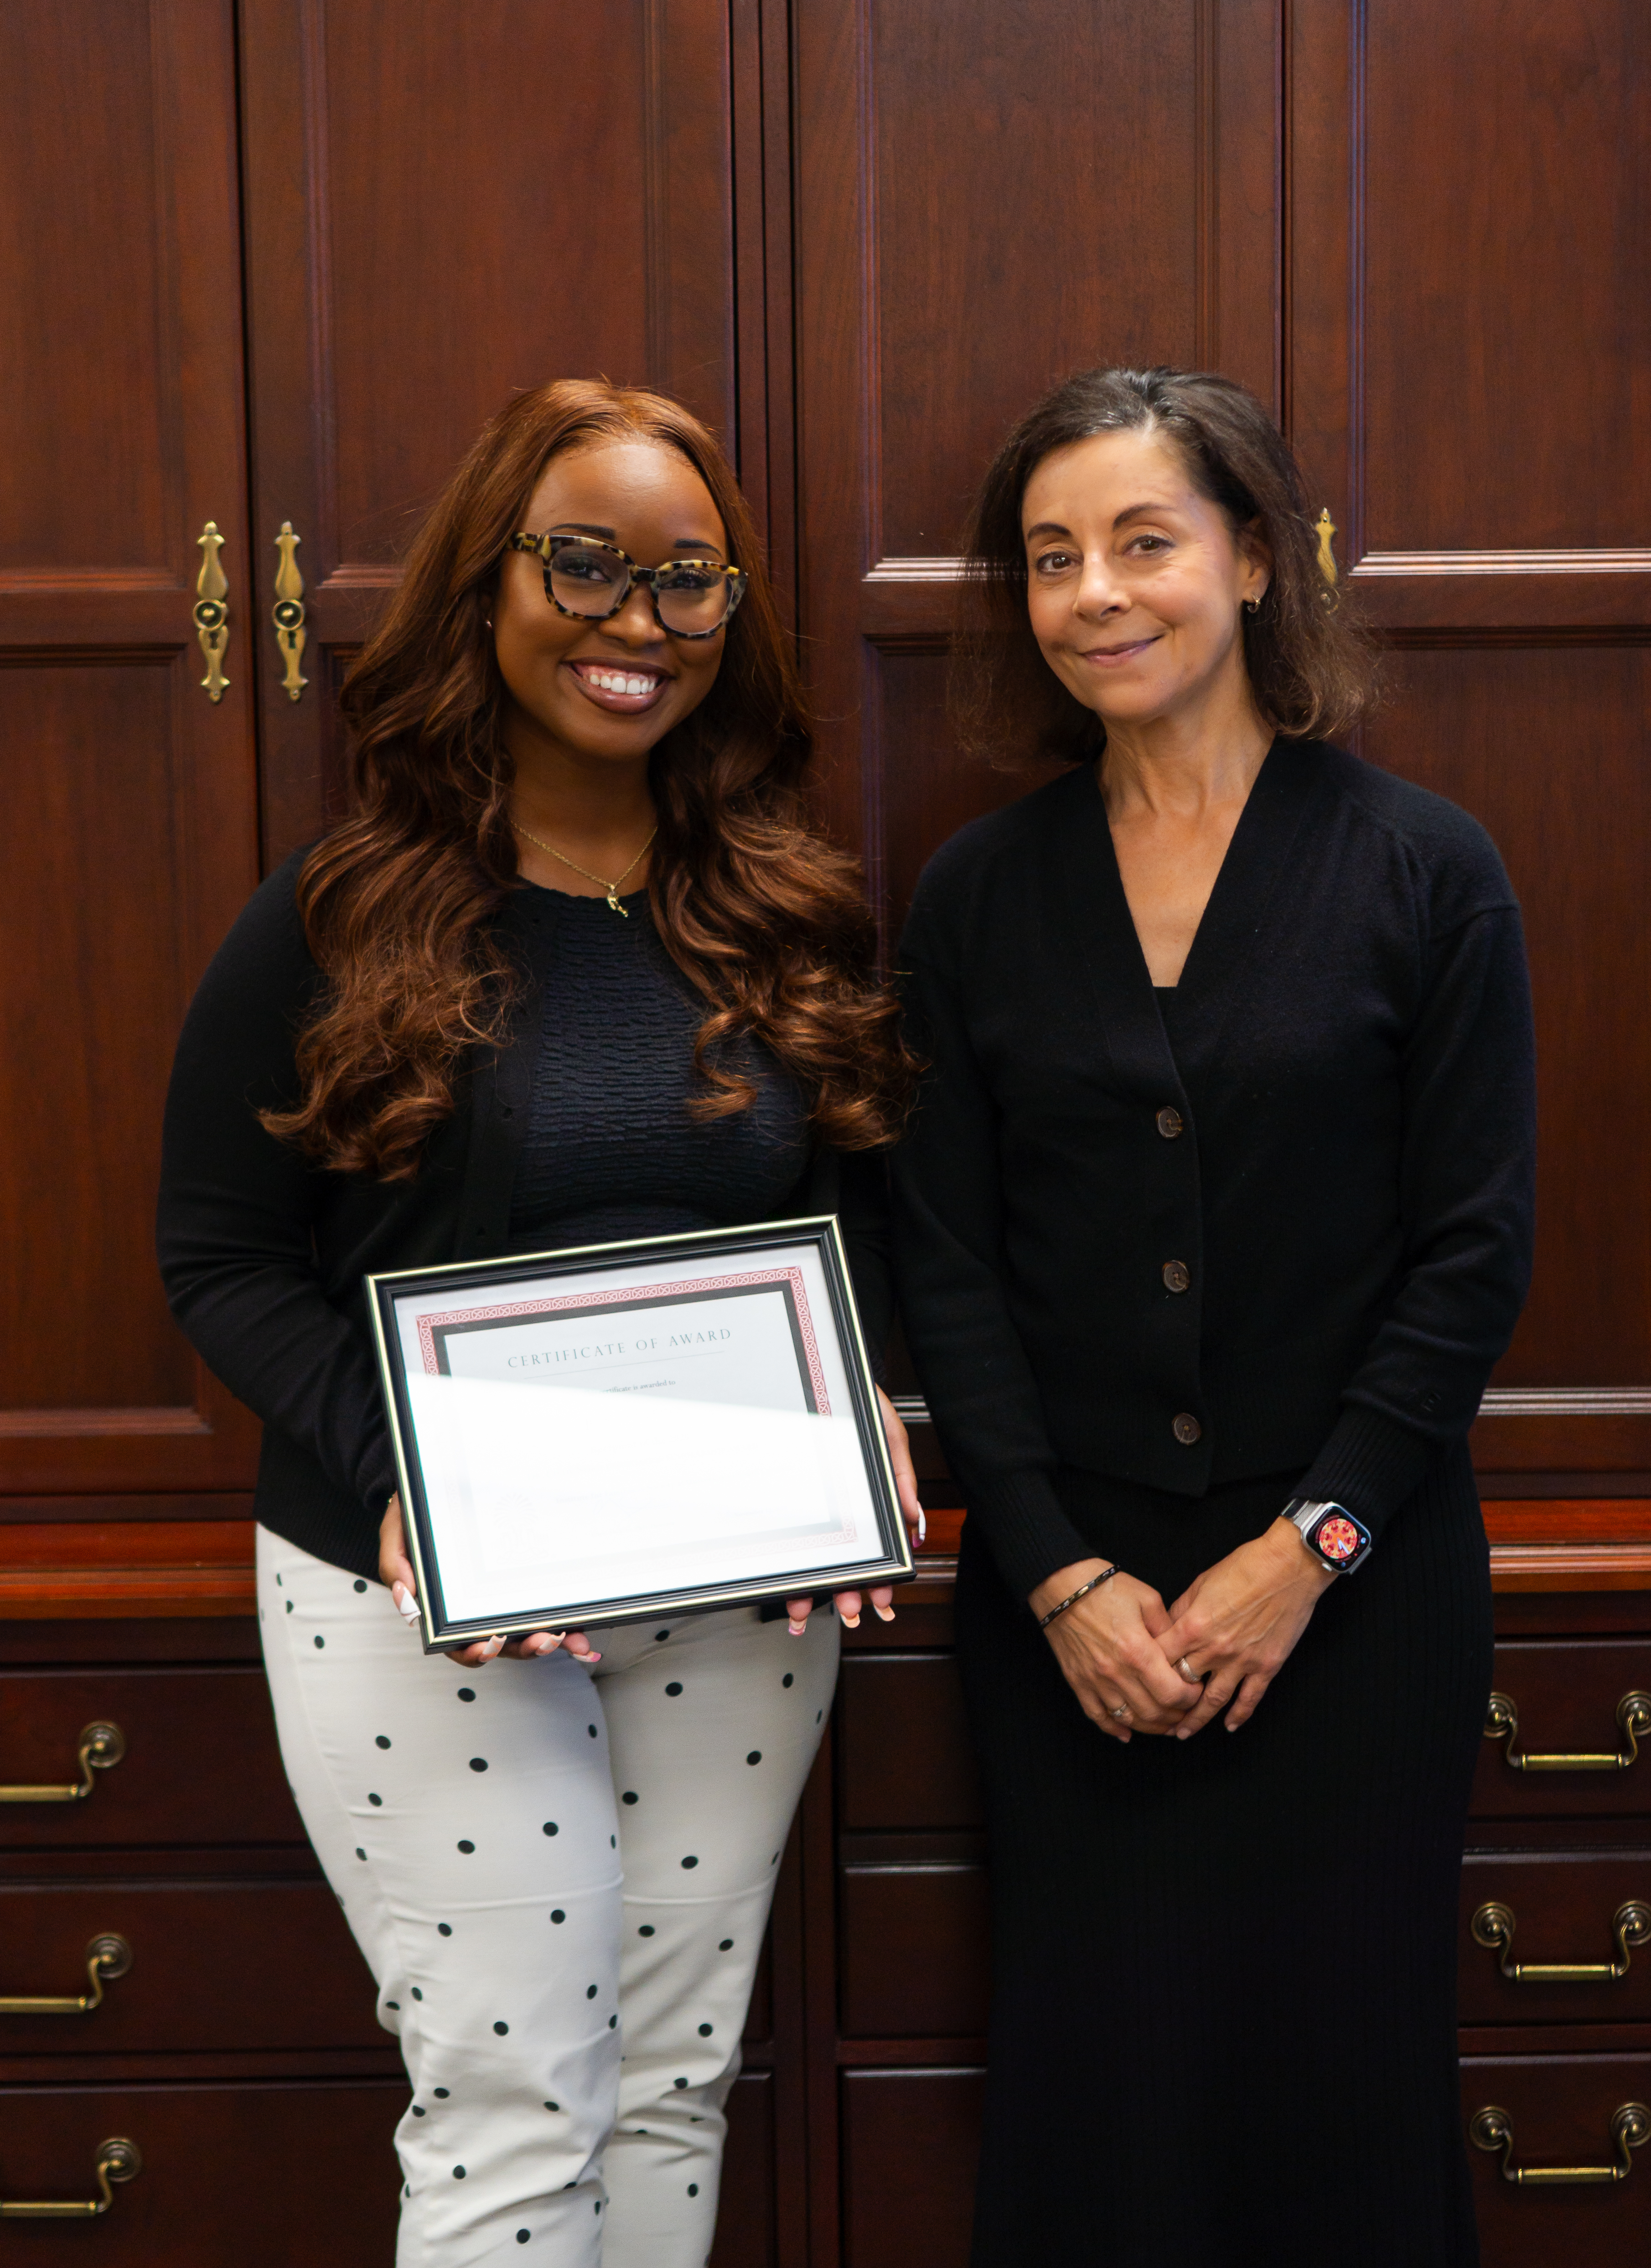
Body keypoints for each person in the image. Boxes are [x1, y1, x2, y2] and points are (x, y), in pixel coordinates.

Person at [157, 378, 918, 2268]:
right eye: (583, 563)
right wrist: (398, 1468)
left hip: (741, 1571)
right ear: (486, 585)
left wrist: (878, 1421)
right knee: (510, 2097)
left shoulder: (783, 908)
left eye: (686, 580)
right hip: (418, 1577)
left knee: (668, 2070)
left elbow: (863, 1221)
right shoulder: (343, 910)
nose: (633, 622)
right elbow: (218, 1254)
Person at [891, 366, 1534, 2267]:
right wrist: (1059, 1575)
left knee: (1343, 2097)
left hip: (1357, 1593)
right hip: (1070, 1614)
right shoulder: (978, 893)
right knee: (1102, 2111)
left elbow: (1471, 1254)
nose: (1095, 590)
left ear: (1251, 557)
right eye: (1050, 555)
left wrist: (1307, 1545)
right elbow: (945, 1263)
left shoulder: (1424, 866)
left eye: (1143, 541)